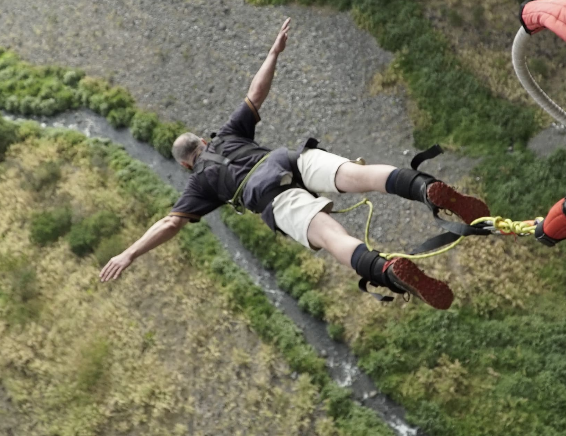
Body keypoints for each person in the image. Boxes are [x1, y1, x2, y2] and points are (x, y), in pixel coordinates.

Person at [99, 18, 486, 309]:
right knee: (364, 176)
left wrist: (128, 253)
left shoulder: (198, 184)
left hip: (271, 195)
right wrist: (273, 53)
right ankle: (425, 189)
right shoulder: (228, 133)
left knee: (333, 238)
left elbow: (171, 223)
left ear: (187, 165)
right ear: (203, 140)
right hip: (290, 159)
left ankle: (386, 270)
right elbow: (256, 93)